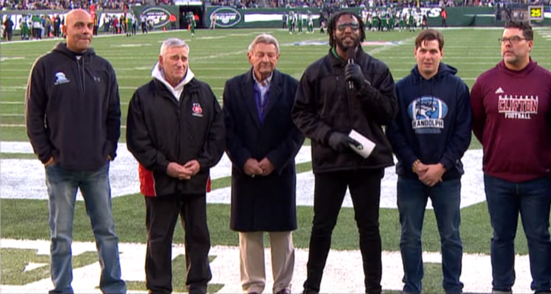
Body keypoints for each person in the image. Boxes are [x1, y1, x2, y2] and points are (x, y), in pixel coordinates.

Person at [291, 11, 398, 294]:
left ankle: (373, 288)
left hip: (367, 163)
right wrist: (330, 136)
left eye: (353, 26)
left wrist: (365, 86)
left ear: (362, 31)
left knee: (369, 228)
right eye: (342, 26)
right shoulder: (316, 71)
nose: (348, 30)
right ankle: (311, 287)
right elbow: (301, 113)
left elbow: (389, 113)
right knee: (321, 227)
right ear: (332, 32)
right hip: (330, 161)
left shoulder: (377, 69)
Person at [25, 9, 126, 294]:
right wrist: (46, 154)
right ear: (65, 29)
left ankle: (114, 287)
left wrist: (108, 150)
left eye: (90, 26)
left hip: (96, 166)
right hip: (60, 169)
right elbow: (33, 116)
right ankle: (61, 289)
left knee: (106, 232)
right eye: (79, 26)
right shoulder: (45, 66)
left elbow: (113, 114)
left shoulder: (103, 68)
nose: (85, 31)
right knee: (61, 236)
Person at [126, 38, 226, 294]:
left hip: (195, 180)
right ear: (161, 60)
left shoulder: (203, 92)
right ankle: (158, 288)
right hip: (159, 182)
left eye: (184, 58)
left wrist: (201, 163)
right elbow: (137, 141)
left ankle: (198, 286)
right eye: (174, 58)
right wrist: (166, 166)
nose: (180, 63)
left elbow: (217, 134)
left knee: (198, 237)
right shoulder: (143, 96)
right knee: (158, 239)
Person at [470, 20, 551, 294]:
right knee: (501, 238)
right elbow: (477, 122)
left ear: (529, 44)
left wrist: (536, 148)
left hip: (537, 177)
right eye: (504, 39)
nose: (507, 44)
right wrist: (498, 145)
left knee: (539, 237)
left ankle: (543, 287)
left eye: (514, 39)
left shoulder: (548, 81)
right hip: (498, 176)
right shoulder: (486, 81)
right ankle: (502, 287)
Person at [386, 29, 471, 294]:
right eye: (423, 50)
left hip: (447, 177)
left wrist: (442, 166)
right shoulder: (401, 88)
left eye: (433, 51)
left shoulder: (457, 87)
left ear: (441, 53)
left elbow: (462, 132)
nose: (428, 56)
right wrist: (414, 164)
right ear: (415, 52)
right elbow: (394, 132)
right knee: (409, 236)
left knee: (451, 237)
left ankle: (453, 286)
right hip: (411, 177)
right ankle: (412, 286)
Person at [224, 33, 304, 294]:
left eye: (270, 55)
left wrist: (274, 160)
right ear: (250, 57)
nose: (265, 59)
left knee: (282, 234)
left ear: (277, 57)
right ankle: (253, 287)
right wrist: (244, 159)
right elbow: (227, 130)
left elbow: (297, 131)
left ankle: (283, 287)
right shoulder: (233, 87)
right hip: (246, 172)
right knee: (249, 233)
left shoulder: (292, 87)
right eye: (260, 54)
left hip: (278, 172)